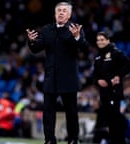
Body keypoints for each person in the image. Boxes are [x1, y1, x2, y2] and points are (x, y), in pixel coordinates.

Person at [26, 2, 89, 144]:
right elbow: (36, 48)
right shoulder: (47, 29)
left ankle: (73, 139)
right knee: (48, 112)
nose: (61, 12)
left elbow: (85, 48)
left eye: (64, 11)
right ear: (55, 14)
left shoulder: (75, 29)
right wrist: (31, 41)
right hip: (51, 77)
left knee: (71, 111)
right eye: (59, 10)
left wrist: (77, 37)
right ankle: (49, 140)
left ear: (69, 14)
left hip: (68, 77)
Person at [92, 31, 130, 144]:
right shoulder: (98, 57)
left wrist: (118, 75)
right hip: (103, 94)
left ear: (108, 40)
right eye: (98, 40)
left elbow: (129, 64)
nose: (100, 42)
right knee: (109, 122)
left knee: (115, 121)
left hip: (114, 93)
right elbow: (94, 74)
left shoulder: (115, 53)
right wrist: (98, 81)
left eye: (102, 39)